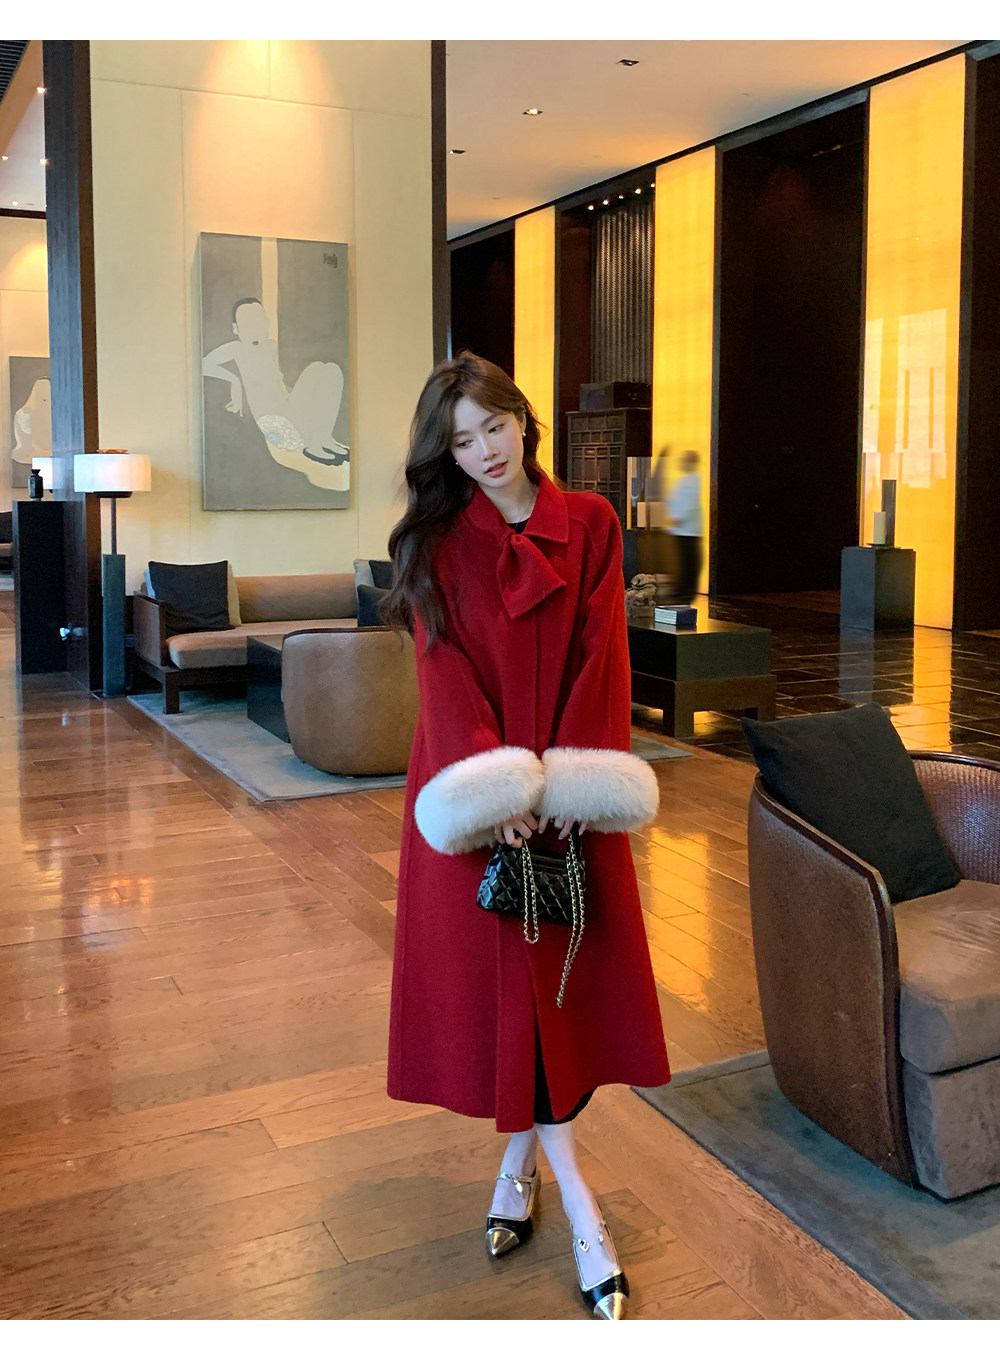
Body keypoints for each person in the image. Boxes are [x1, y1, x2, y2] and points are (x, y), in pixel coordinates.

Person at [382, 353, 671, 1320]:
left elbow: (603, 654)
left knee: (560, 992)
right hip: (479, 801)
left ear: (522, 419)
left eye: (494, 428)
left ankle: (519, 1168)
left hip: (570, 803)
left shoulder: (590, 523)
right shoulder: (434, 545)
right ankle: (583, 1207)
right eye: (462, 442)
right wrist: (493, 786)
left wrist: (573, 779)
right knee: (509, 989)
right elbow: (442, 672)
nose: (484, 453)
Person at [202, 297, 349, 492]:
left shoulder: (271, 346)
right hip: (274, 426)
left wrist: (305, 397)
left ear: (267, 323)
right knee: (316, 369)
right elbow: (203, 364)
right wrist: (234, 380)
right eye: (247, 322)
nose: (255, 327)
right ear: (236, 329)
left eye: (259, 320)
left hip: (289, 413)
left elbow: (279, 385)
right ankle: (315, 444)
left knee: (331, 369)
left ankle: (323, 439)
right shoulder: (236, 349)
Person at [667, 449, 703, 605]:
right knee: (683, 561)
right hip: (682, 529)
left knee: (688, 561)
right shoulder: (685, 480)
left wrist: (677, 518)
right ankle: (682, 588)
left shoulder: (693, 480)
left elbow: (688, 504)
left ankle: (687, 590)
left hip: (688, 529)